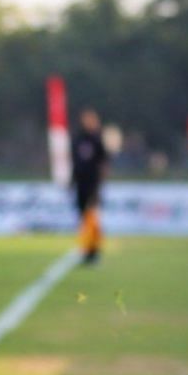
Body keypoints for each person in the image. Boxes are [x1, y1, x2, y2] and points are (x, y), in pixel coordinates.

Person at [71, 108, 110, 264]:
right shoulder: (78, 139)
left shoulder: (97, 139)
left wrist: (100, 183)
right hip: (80, 183)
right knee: (82, 218)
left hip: (93, 184)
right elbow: (74, 161)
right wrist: (71, 180)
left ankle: (95, 250)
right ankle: (86, 249)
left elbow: (104, 163)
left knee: (92, 217)